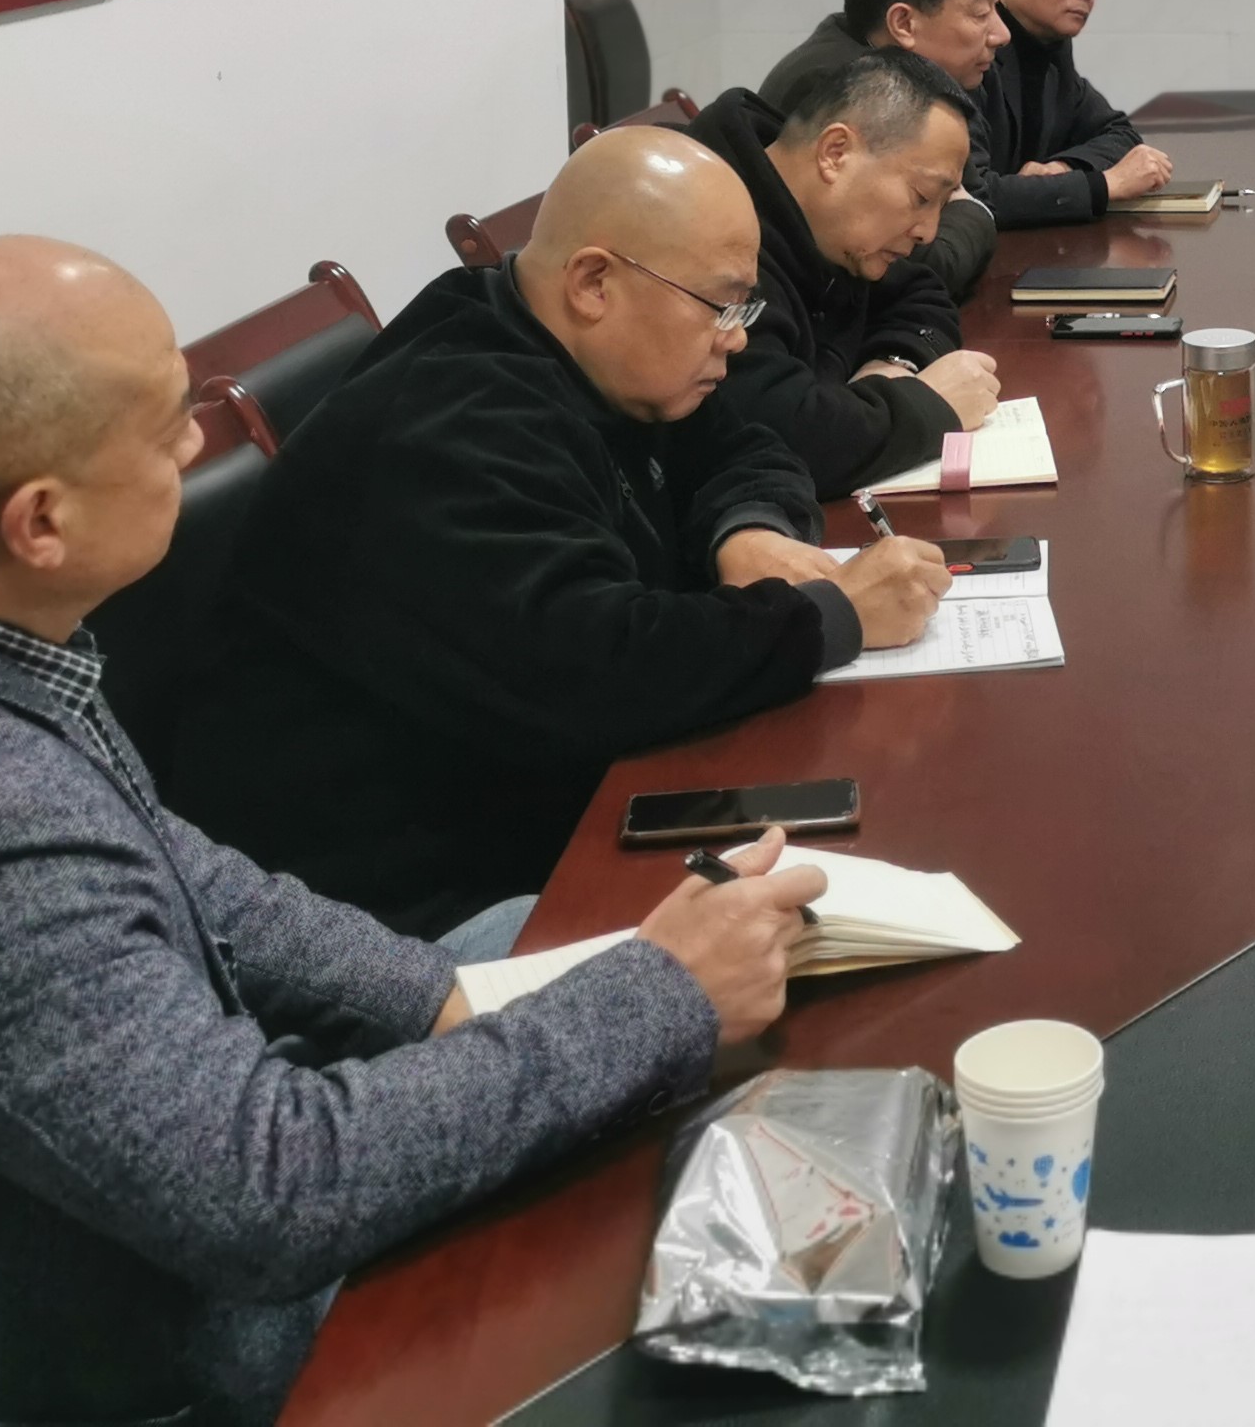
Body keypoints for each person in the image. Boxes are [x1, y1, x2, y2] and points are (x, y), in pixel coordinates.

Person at [0, 237, 835, 1427]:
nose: (197, 446)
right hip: (64, 1367)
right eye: (165, 427)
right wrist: (658, 1000)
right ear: (39, 521)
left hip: (121, 1216)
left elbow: (164, 854)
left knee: (557, 954)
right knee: (698, 1273)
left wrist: (439, 997)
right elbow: (271, 1197)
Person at [167, 129, 946, 943]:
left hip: (536, 804)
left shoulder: (599, 354)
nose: (738, 337)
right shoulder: (451, 422)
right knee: (796, 945)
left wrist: (743, 530)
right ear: (594, 283)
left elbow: (748, 447)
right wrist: (830, 615)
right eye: (721, 306)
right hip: (397, 915)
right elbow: (603, 670)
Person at [685, 46, 1007, 497]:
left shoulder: (833, 226)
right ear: (835, 153)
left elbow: (922, 292)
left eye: (942, 204)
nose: (929, 232)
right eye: (920, 197)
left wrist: (892, 364)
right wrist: (929, 406)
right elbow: (778, 433)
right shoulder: (711, 237)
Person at [762, 0, 1010, 298]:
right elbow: (926, 270)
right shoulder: (838, 85)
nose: (1001, 33)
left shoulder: (927, 79)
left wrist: (969, 206)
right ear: (904, 23)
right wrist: (969, 211)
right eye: (981, 12)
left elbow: (976, 198)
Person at [981, 0, 1178, 222]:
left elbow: (1119, 133)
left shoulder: (1051, 47)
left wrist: (1063, 168)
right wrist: (1102, 185)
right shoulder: (972, 49)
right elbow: (971, 195)